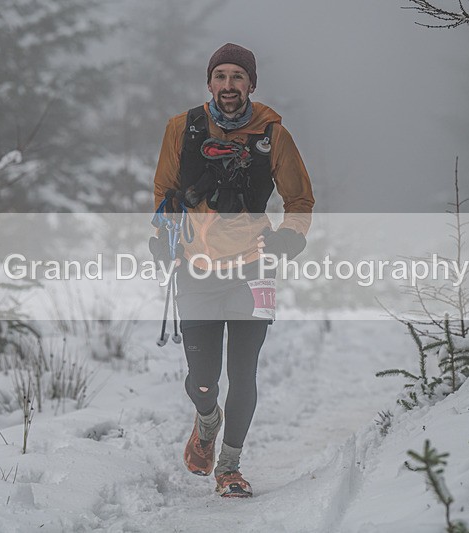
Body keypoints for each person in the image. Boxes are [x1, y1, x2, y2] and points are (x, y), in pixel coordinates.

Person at [151, 43, 314, 497]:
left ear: (251, 84)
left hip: (254, 268)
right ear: (209, 83)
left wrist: (290, 237)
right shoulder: (181, 128)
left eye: (237, 77)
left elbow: (300, 199)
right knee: (204, 382)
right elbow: (164, 192)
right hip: (196, 269)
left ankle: (229, 467)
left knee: (244, 374)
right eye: (220, 76)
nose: (228, 85)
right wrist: (163, 236)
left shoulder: (273, 135)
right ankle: (207, 421)